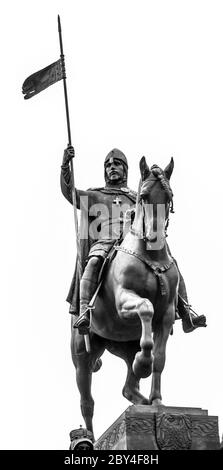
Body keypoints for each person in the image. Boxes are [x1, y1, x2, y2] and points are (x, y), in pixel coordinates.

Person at [61, 146, 206, 335]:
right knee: (94, 261)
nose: (112, 167)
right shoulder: (96, 195)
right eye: (108, 165)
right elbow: (70, 192)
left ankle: (186, 311)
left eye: (117, 164)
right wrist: (65, 166)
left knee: (170, 262)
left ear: (125, 169)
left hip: (136, 241)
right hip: (107, 242)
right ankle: (85, 312)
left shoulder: (136, 197)